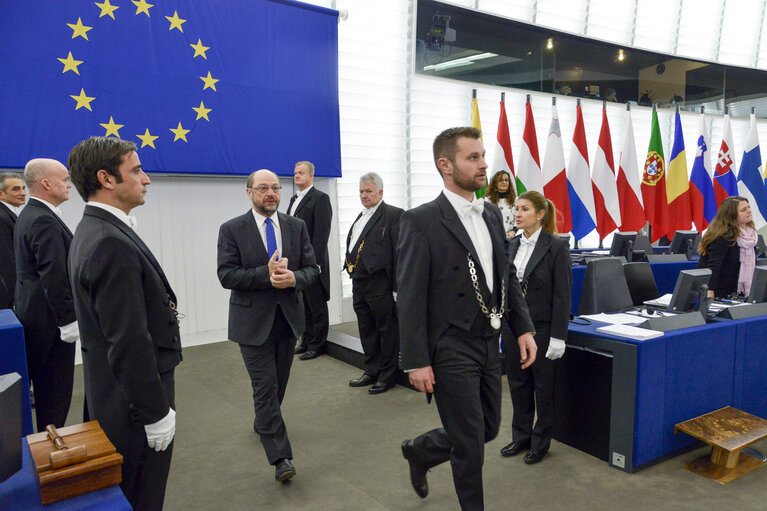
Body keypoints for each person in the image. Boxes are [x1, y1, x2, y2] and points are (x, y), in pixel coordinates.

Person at [398, 127, 537, 511]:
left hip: (489, 341)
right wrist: (416, 359)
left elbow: (506, 275)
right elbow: (409, 296)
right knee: (471, 444)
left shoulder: (491, 212)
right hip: (449, 346)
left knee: (488, 428)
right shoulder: (420, 221)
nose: (483, 164)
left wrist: (523, 327)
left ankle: (421, 450)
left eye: (482, 156)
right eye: (472, 157)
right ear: (445, 165)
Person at [67, 137, 181, 511]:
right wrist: (155, 413)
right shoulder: (108, 242)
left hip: (116, 394)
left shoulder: (96, 230)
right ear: (107, 179)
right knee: (142, 496)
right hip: (133, 407)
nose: (146, 179)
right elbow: (128, 341)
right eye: (136, 170)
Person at [217, 169, 318, 482]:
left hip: (288, 320)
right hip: (251, 323)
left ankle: (264, 421)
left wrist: (294, 279)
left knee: (278, 385)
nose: (271, 193)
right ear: (249, 193)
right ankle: (281, 458)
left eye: (275, 187)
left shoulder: (296, 226)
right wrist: (266, 273)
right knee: (265, 387)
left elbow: (312, 269)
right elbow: (227, 275)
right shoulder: (232, 229)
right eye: (263, 188)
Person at [500, 190, 571, 465]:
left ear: (540, 215)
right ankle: (521, 437)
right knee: (518, 385)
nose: (518, 214)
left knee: (543, 387)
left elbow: (562, 295)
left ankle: (541, 441)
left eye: (525, 209)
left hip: (542, 329)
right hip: (513, 329)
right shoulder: (510, 245)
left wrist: (558, 337)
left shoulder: (556, 246)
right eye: (517, 209)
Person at [14, 159, 79, 431]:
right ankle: (50, 447)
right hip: (50, 321)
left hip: (35, 313)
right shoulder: (43, 219)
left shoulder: (30, 214)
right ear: (46, 183)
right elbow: (53, 274)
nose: (69, 184)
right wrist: (68, 320)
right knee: (54, 390)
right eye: (64, 179)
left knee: (46, 388)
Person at [344, 173, 404, 394]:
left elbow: (399, 253)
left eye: (368, 191)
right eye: (361, 191)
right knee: (366, 328)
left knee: (387, 330)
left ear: (380, 192)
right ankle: (371, 370)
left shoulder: (394, 215)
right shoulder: (361, 216)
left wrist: (397, 288)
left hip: (381, 283)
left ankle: (388, 376)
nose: (364, 195)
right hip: (359, 281)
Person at [287, 161, 332, 360]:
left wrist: (313, 264)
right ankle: (306, 340)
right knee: (303, 305)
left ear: (311, 176)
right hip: (296, 265)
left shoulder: (320, 199)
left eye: (301, 173)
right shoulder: (293, 199)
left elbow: (321, 235)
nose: (296, 176)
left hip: (312, 263)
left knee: (316, 305)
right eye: (295, 173)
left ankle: (318, 344)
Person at [697, 196, 757, 299]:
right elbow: (714, 265)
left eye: (748, 207)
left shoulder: (751, 235)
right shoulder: (722, 236)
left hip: (739, 291)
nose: (749, 211)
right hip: (720, 290)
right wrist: (709, 289)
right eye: (743, 210)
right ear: (731, 215)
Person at [0, 173, 26, 309]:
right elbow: (7, 261)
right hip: (8, 298)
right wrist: (17, 298)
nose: (22, 193)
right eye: (16, 189)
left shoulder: (10, 214)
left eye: (23, 188)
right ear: (1, 194)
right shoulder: (2, 217)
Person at [483, 170, 516, 237]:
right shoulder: (488, 201)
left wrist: (514, 231)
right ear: (495, 183)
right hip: (494, 236)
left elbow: (520, 218)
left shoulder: (516, 200)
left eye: (506, 180)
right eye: (500, 180)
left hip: (512, 237)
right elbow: (486, 221)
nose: (504, 182)